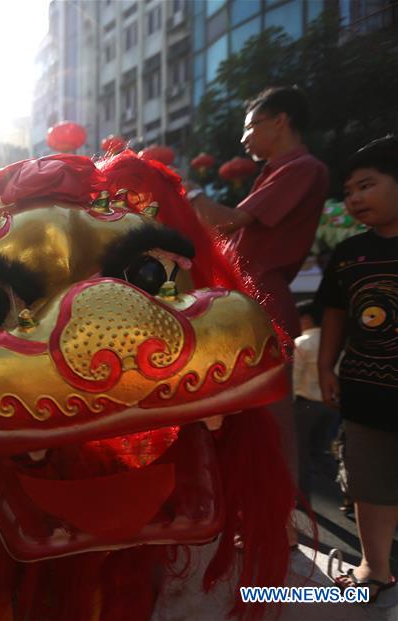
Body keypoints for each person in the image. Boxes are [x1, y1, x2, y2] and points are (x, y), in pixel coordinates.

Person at [187, 86, 329, 509]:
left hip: (264, 297)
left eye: (251, 126)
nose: (244, 139)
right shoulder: (276, 173)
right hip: (245, 296)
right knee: (245, 412)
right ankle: (256, 508)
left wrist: (188, 191)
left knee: (271, 414)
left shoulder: (302, 168)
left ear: (280, 120)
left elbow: (227, 223)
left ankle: (281, 515)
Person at [317, 135, 398, 602]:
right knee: (371, 483)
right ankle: (375, 567)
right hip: (365, 391)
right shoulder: (348, 254)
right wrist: (327, 367)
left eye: (366, 186)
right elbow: (333, 313)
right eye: (349, 192)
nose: (354, 199)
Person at [292, 299, 338, 506]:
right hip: (332, 405)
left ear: (307, 318)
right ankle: (350, 490)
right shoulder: (335, 341)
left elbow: (294, 376)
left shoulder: (302, 343)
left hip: (305, 405)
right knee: (322, 452)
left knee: (301, 454)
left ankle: (302, 499)